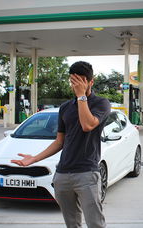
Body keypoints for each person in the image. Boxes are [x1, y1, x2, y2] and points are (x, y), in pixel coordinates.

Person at [11, 61, 110, 228]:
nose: (76, 85)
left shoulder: (101, 103)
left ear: (90, 82)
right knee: (72, 224)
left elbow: (87, 125)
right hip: (62, 174)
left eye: (80, 81)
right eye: (73, 81)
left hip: (87, 173)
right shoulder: (65, 108)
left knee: (95, 224)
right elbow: (59, 141)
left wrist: (81, 97)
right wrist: (34, 159)